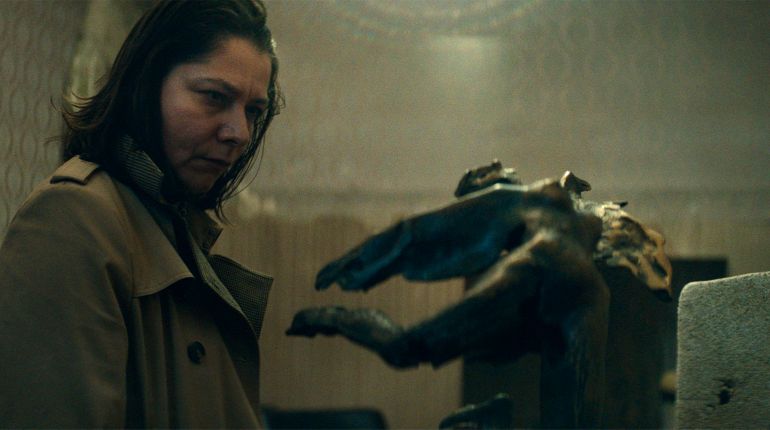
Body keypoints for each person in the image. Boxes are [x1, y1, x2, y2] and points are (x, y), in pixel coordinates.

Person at [0, 0, 282, 427]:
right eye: (214, 97)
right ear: (147, 85)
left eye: (253, 111)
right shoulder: (74, 216)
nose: (239, 133)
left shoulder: (166, 221)